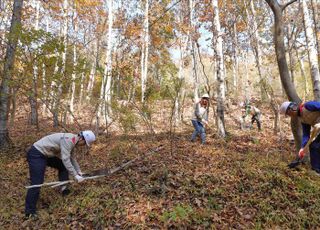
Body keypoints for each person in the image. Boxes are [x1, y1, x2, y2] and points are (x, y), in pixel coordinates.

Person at [24, 130, 96, 219]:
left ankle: (64, 189)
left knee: (63, 167)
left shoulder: (73, 140)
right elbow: (66, 159)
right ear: (81, 138)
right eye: (85, 143)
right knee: (37, 182)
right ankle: (29, 212)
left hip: (46, 154)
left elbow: (72, 158)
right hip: (37, 154)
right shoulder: (69, 140)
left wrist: (79, 171)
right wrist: (75, 175)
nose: (83, 145)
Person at [279, 101, 320, 174]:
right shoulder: (302, 119)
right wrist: (302, 147)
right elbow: (306, 134)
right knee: (313, 146)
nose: (290, 115)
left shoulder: (308, 106)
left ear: (291, 108)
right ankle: (316, 170)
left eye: (288, 113)